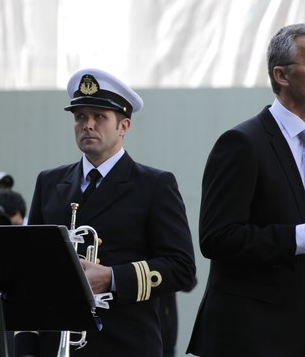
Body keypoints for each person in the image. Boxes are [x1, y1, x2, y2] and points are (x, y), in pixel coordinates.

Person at [187, 23, 305, 356]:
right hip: (245, 337)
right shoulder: (242, 143)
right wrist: (301, 237)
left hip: (303, 338)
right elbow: (216, 237)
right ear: (282, 75)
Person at [15, 68, 196, 356]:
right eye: (80, 117)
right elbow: (28, 272)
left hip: (125, 343)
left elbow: (182, 268)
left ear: (124, 126)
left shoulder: (154, 184)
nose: (88, 125)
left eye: (99, 116)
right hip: (56, 346)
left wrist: (112, 277)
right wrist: (25, 347)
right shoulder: (49, 182)